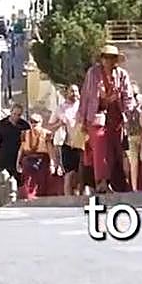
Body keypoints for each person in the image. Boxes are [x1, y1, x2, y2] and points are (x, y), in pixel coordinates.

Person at [78, 44, 137, 194]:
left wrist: (129, 113)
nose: (108, 60)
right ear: (101, 59)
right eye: (105, 57)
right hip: (96, 116)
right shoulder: (93, 73)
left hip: (115, 117)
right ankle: (101, 181)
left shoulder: (121, 74)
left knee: (115, 150)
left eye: (111, 58)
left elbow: (128, 95)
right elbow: (86, 95)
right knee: (100, 146)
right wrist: (83, 119)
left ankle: (116, 183)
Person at [0, 103, 31, 190]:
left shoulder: (24, 125)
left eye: (18, 115)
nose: (16, 117)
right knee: (0, 180)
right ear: (10, 112)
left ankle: (18, 202)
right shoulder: (1, 125)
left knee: (19, 182)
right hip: (3, 157)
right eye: (14, 114)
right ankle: (0, 200)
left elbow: (29, 141)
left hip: (18, 158)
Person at [48, 85, 84, 196]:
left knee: (81, 173)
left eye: (76, 91)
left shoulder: (82, 106)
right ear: (67, 93)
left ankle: (80, 197)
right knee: (69, 173)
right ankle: (68, 198)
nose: (74, 93)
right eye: (72, 91)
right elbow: (50, 127)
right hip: (66, 143)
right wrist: (59, 123)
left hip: (82, 144)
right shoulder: (60, 108)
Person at [17, 111, 55, 199]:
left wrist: (52, 164)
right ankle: (29, 197)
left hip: (42, 158)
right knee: (28, 179)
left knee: (42, 180)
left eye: (36, 122)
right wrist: (18, 162)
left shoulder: (47, 133)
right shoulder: (25, 134)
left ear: (41, 122)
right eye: (31, 122)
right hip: (28, 158)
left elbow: (50, 149)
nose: (33, 124)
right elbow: (21, 149)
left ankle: (40, 198)